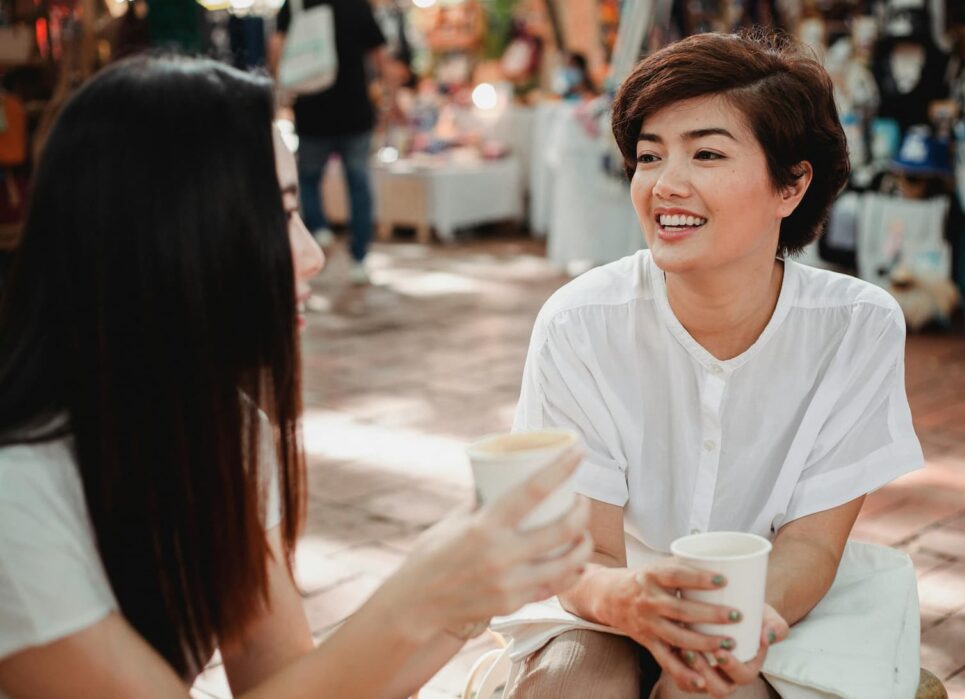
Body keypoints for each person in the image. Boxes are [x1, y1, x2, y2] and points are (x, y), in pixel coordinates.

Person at [0, 55, 592, 699]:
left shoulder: (224, 423)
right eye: (279, 215)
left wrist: (461, 600)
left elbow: (284, 680)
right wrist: (417, 599)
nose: (311, 256)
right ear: (171, 235)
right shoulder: (17, 497)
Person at [507, 30, 923, 698]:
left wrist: (737, 621)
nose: (667, 184)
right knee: (570, 685)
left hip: (778, 601)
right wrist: (633, 602)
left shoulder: (857, 328)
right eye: (649, 156)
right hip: (609, 588)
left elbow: (811, 546)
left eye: (705, 153)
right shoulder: (580, 322)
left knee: (711, 689)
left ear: (790, 185)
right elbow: (589, 553)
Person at [272, 0, 385, 284]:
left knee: (309, 180)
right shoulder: (357, 4)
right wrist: (387, 95)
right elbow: (379, 54)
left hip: (313, 111)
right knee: (358, 183)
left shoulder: (296, 3)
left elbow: (277, 48)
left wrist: (280, 88)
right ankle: (359, 257)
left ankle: (320, 228)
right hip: (355, 110)